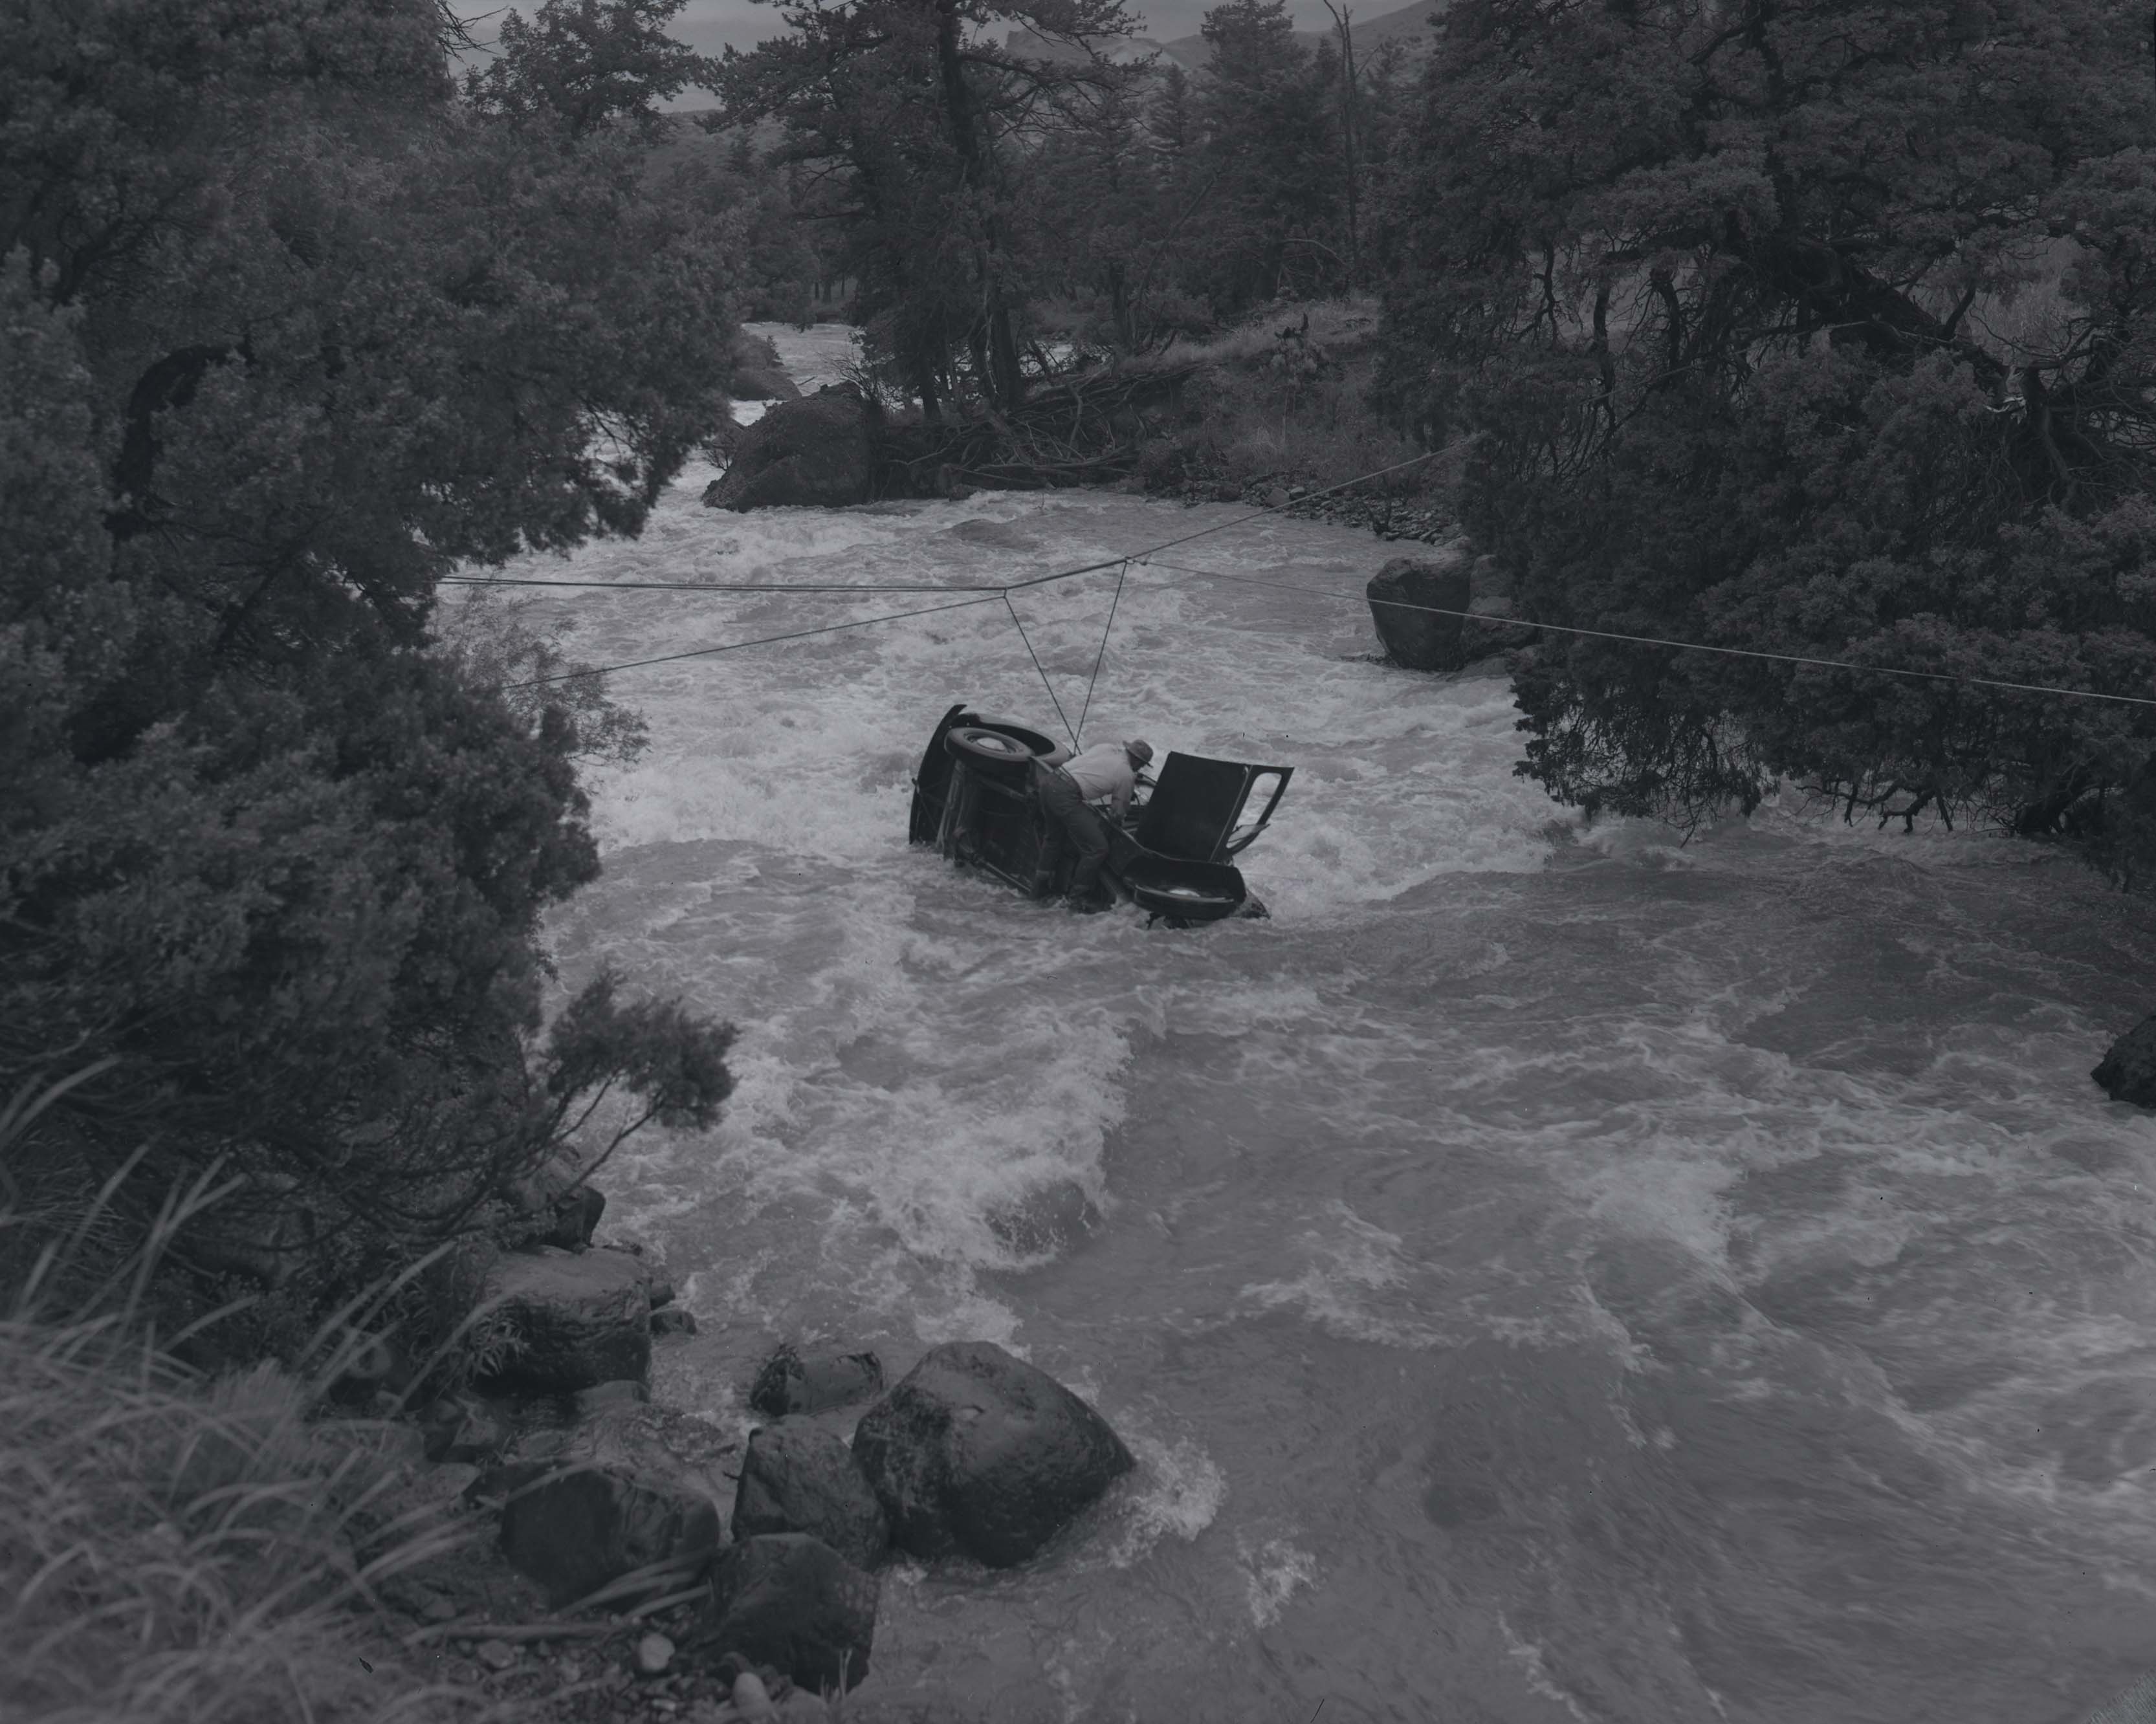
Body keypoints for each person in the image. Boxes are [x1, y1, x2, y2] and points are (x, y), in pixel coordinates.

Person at [1029, 736, 1154, 911]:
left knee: (1053, 838)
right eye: (1141, 765)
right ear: (1137, 761)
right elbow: (1117, 814)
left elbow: (1092, 769)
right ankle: (1077, 898)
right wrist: (1117, 821)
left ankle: (1038, 890)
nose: (1139, 769)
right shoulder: (1126, 774)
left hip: (1050, 782)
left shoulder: (1107, 747)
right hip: (1066, 796)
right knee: (1098, 848)